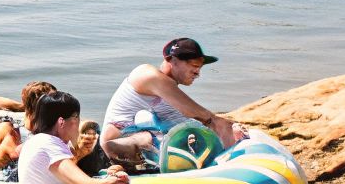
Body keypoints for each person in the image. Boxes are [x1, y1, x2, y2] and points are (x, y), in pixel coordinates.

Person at [101, 38, 247, 164]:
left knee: (188, 132)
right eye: (195, 66)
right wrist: (216, 122)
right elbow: (199, 114)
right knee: (145, 119)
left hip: (148, 147)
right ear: (172, 60)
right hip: (118, 139)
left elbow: (189, 121)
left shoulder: (167, 97)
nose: (198, 73)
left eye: (200, 68)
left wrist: (230, 132)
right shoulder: (146, 74)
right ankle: (125, 147)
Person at [20, 91, 131, 184]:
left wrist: (107, 174)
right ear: (61, 122)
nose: (79, 121)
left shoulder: (37, 141)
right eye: (76, 116)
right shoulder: (49, 145)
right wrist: (118, 181)